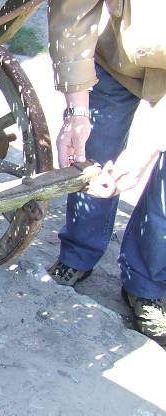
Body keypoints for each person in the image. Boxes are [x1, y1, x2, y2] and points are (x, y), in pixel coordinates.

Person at [46, 0, 166, 345]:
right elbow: (72, 14)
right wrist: (77, 112)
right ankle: (78, 253)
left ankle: (146, 284)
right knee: (93, 151)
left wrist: (148, 147)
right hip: (120, 59)